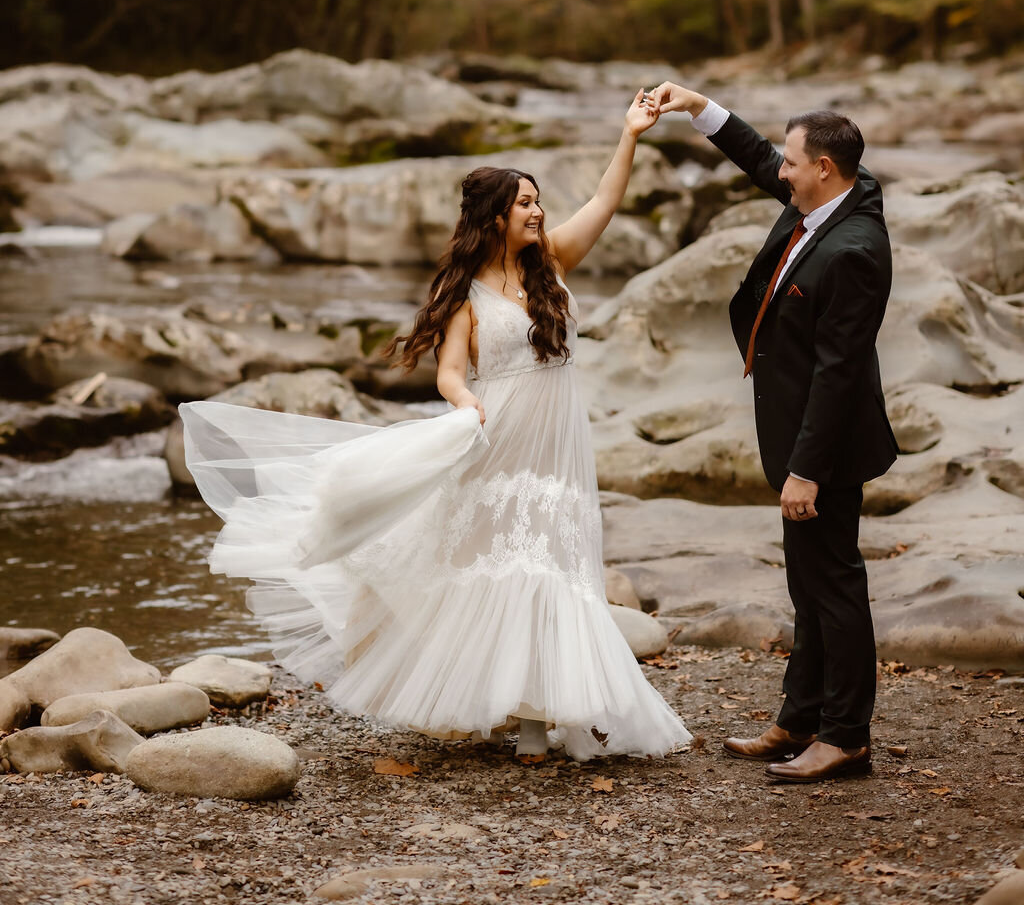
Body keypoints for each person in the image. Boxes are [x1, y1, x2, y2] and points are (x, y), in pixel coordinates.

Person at [179, 91, 690, 764]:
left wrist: (630, 135)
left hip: (560, 448)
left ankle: (546, 712)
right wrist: (463, 404)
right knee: (511, 571)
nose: (539, 211)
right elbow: (450, 371)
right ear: (496, 216)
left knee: (557, 566)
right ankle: (529, 720)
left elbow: (604, 202)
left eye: (538, 201)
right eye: (527, 203)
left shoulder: (553, 263)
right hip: (498, 440)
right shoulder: (467, 294)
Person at [650, 81, 898, 784]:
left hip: (826, 445)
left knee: (836, 586)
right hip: (798, 435)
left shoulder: (853, 249)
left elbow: (838, 372)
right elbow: (760, 157)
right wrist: (700, 107)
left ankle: (846, 736)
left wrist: (806, 469)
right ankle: (800, 717)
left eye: (792, 163)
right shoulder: (834, 191)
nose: (779, 172)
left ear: (823, 168)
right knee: (807, 581)